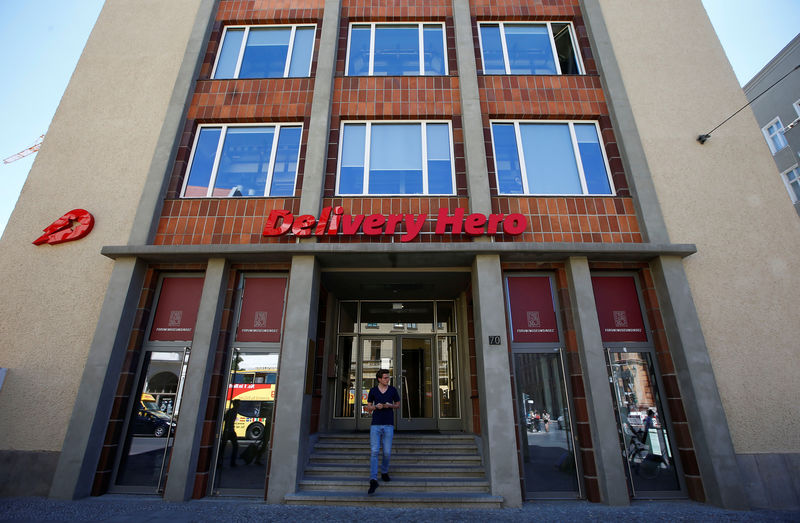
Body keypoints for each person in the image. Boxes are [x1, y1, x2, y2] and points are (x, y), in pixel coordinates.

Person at [365, 369, 400, 495]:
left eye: (388, 377)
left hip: (388, 424)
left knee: (387, 452)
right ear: (379, 379)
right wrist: (375, 407)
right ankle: (373, 479)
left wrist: (389, 405)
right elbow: (368, 408)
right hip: (375, 425)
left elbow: (398, 405)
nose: (387, 379)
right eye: (385, 378)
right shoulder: (373, 391)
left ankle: (384, 471)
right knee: (374, 451)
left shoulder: (392, 390)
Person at [220, 399, 240, 467]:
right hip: (229, 431)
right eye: (239, 404)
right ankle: (221, 462)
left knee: (233, 446)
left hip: (230, 430)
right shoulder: (231, 411)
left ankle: (231, 462)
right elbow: (225, 419)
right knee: (225, 447)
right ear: (236, 404)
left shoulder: (233, 411)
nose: (240, 405)